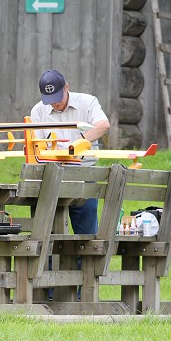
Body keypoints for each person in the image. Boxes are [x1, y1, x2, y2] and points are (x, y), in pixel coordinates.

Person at [30, 69, 110, 234]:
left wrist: (75, 146)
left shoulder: (87, 102)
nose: (55, 103)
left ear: (67, 87)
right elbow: (36, 148)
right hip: (52, 176)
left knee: (86, 237)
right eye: (50, 100)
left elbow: (103, 125)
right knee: (47, 234)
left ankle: (83, 260)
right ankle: (50, 261)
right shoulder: (38, 111)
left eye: (58, 97)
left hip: (84, 174)